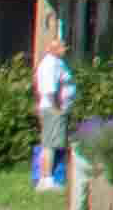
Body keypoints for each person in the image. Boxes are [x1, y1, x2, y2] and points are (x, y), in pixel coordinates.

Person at [32, 25, 79, 193]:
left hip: (53, 107)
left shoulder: (53, 62)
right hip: (54, 108)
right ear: (54, 49)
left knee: (51, 142)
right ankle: (47, 179)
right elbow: (51, 88)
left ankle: (48, 177)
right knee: (50, 143)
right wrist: (56, 108)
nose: (65, 49)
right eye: (63, 47)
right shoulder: (51, 64)